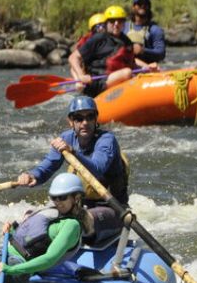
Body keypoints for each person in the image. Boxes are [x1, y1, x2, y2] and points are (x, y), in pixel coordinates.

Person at [14, 95, 129, 243]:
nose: (85, 123)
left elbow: (98, 169)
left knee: (78, 221)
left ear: (96, 119)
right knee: (34, 218)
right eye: (79, 118)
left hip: (112, 209)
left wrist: (73, 152)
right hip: (78, 206)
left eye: (90, 117)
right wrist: (32, 175)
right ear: (71, 121)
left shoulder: (106, 140)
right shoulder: (66, 138)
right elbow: (48, 166)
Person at [69, 5, 156, 97]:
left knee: (134, 72)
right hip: (97, 83)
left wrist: (147, 68)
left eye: (120, 21)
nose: (116, 24)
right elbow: (73, 57)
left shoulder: (126, 41)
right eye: (112, 21)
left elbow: (132, 63)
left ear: (124, 23)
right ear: (106, 23)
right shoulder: (99, 38)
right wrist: (81, 76)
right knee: (127, 72)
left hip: (118, 80)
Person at [123, 0, 166, 64]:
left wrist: (143, 51)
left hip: (146, 69)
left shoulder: (155, 30)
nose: (142, 6)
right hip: (125, 66)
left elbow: (161, 53)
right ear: (133, 7)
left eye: (146, 4)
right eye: (139, 4)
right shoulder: (123, 27)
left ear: (149, 7)